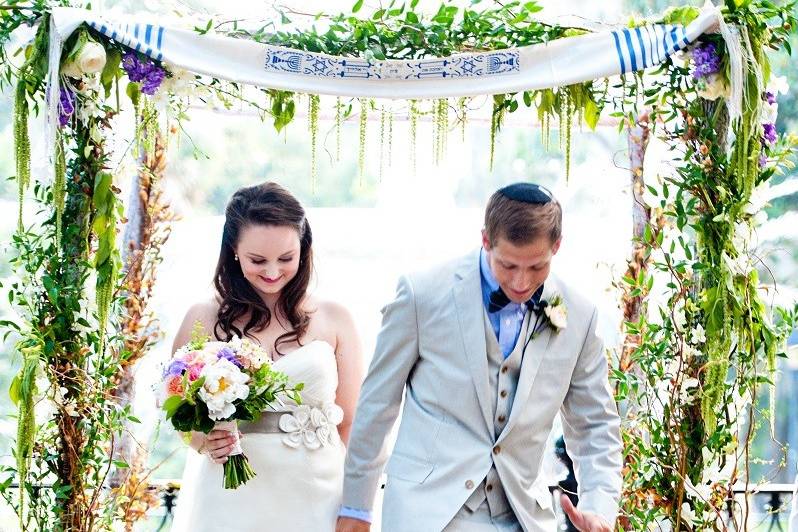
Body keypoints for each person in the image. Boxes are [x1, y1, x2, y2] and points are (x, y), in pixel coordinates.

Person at [337, 183, 622, 532]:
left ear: (556, 247)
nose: (520, 282)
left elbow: (595, 425)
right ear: (486, 240)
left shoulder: (580, 315)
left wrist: (598, 507)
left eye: (536, 267)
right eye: (508, 265)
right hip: (427, 512)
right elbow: (377, 405)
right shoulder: (421, 294)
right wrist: (356, 508)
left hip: (523, 515)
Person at [169, 182, 364, 531]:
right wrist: (204, 442)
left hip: (316, 493)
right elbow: (178, 412)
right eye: (258, 260)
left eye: (286, 258)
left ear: (303, 250)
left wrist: (354, 504)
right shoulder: (202, 318)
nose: (272, 272)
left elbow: (351, 421)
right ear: (233, 251)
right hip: (230, 493)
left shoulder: (336, 319)